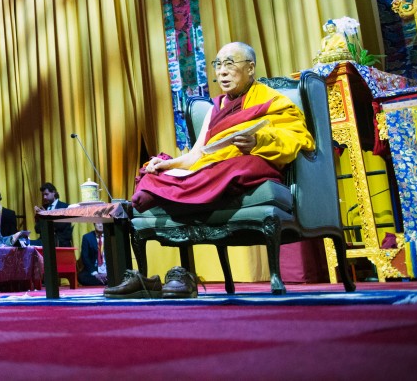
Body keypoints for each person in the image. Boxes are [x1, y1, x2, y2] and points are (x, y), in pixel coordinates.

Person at [112, 41, 315, 299]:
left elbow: (296, 136)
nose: (222, 72)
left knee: (238, 167)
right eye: (218, 65)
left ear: (250, 68)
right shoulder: (215, 108)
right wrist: (168, 164)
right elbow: (197, 155)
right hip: (212, 168)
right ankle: (183, 197)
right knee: (153, 175)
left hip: (244, 163)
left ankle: (183, 193)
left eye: (230, 64)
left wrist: (258, 141)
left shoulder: (273, 100)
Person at [32, 182, 72, 247]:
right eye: (43, 195)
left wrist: (46, 215)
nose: (44, 197)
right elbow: (37, 230)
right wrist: (39, 217)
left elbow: (61, 226)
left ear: (53, 192)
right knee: (26, 244)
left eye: (46, 194)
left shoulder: (65, 207)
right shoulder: (43, 208)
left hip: (60, 242)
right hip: (44, 241)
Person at [76, 222, 107, 286]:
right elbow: (85, 257)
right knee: (81, 277)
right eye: (98, 223)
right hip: (94, 269)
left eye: (102, 223)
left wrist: (107, 273)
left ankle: (104, 280)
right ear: (94, 224)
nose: (100, 225)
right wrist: (95, 273)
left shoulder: (110, 236)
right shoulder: (87, 237)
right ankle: (105, 281)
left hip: (107, 269)